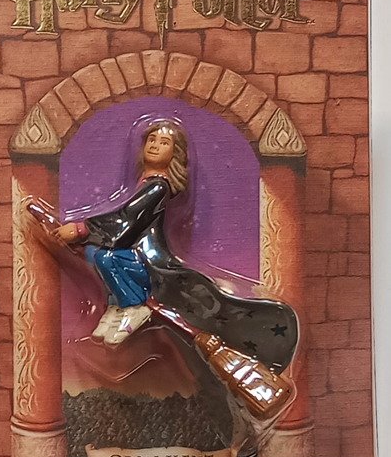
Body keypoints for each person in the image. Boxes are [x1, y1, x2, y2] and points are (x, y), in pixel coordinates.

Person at [53, 119, 298, 376]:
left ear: (175, 153)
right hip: (138, 252)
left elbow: (128, 217)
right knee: (95, 255)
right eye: (151, 140)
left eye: (164, 142)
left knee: (105, 257)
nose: (155, 145)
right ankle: (117, 306)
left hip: (150, 259)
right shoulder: (147, 183)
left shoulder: (158, 187)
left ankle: (134, 307)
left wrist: (82, 229)